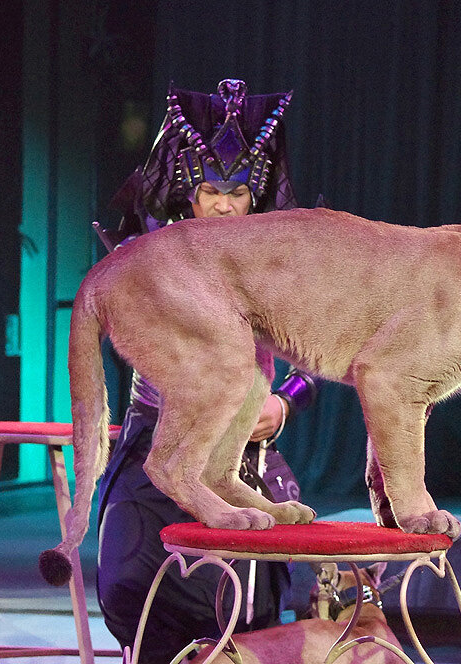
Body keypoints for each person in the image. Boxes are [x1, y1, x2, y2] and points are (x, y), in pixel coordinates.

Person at [96, 78, 316, 663]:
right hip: (158, 449)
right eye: (212, 191)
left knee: (244, 610)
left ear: (255, 193)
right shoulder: (150, 259)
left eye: (238, 191)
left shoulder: (279, 266)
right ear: (189, 193)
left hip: (241, 457)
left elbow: (316, 362)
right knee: (130, 584)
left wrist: (284, 403)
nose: (224, 204)